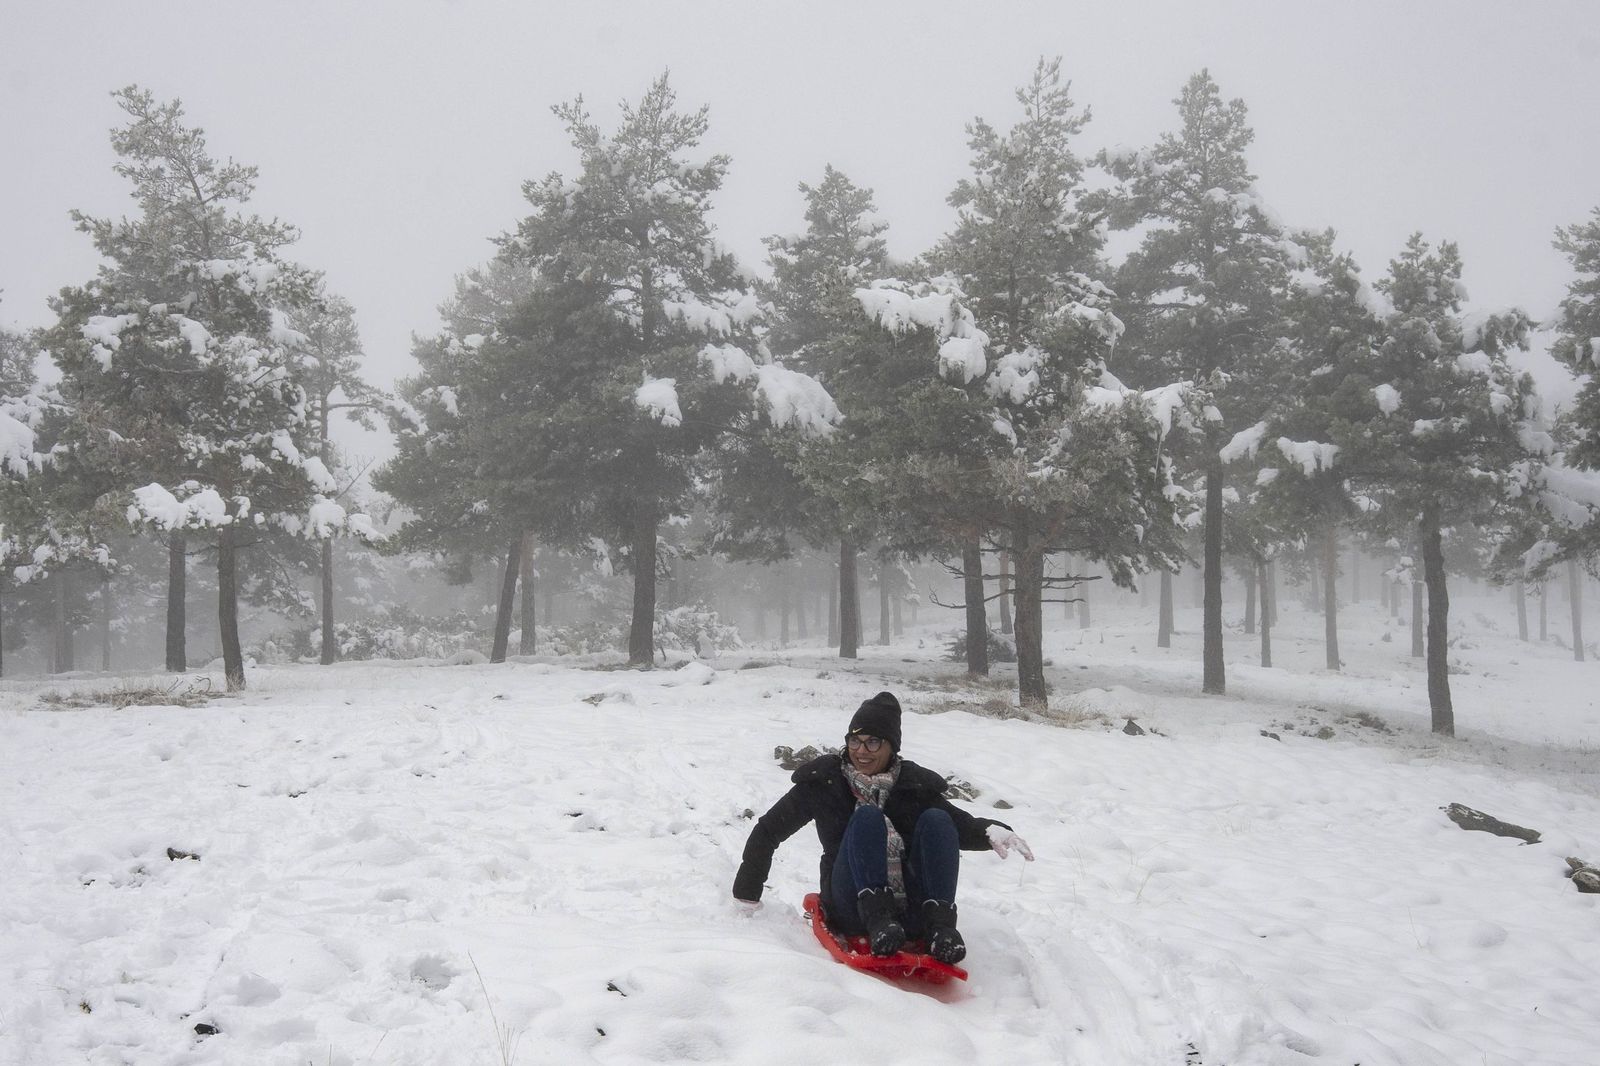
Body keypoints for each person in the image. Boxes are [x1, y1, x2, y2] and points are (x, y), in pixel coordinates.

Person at [732, 690, 1033, 964]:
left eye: (873, 742)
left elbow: (957, 826)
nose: (861, 751)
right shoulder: (825, 782)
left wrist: (990, 831)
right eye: (854, 741)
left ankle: (940, 928)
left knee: (937, 819)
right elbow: (769, 830)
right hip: (850, 905)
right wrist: (748, 891)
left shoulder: (912, 785)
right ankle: (879, 920)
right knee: (867, 817)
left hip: (909, 909)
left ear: (892, 747)